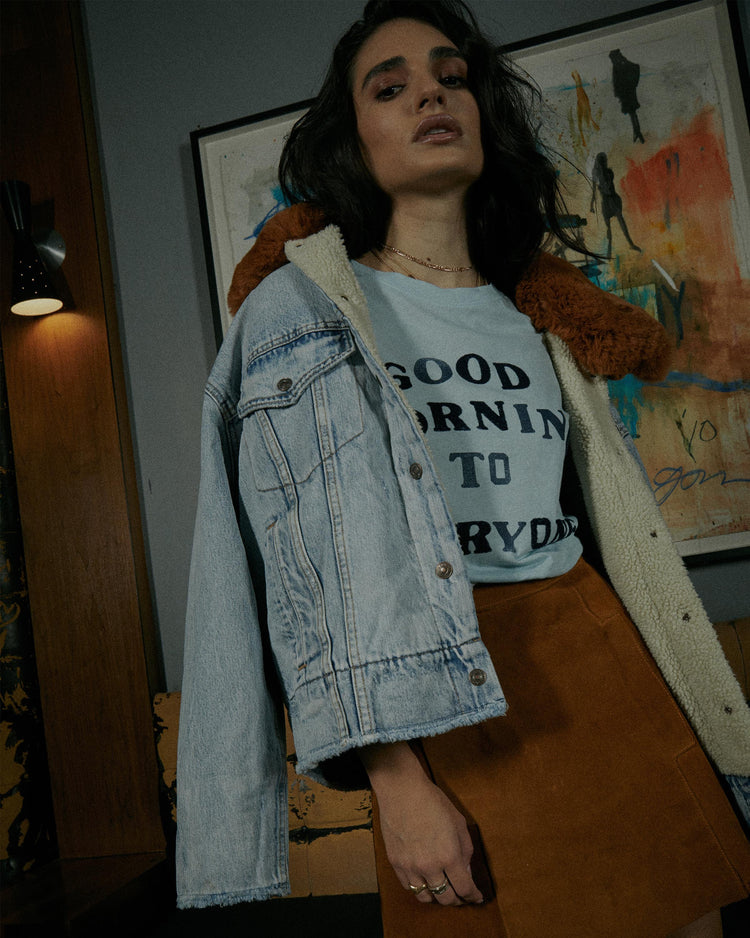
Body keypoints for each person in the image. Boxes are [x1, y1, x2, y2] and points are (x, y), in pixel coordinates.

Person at [176, 2, 750, 935]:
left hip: (589, 638)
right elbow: (305, 573)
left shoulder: (535, 310)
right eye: (390, 87)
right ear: (353, 137)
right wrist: (395, 778)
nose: (431, 96)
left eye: (451, 78)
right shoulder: (302, 310)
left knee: (687, 913)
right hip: (441, 688)